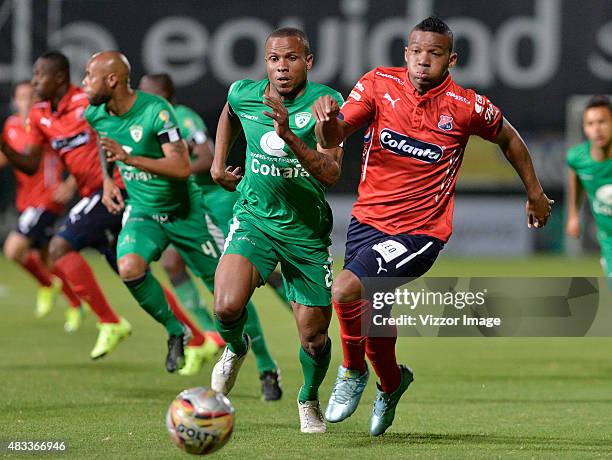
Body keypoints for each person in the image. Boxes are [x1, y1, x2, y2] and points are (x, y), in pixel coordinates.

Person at [312, 16, 553, 436]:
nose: (424, 60)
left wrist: (534, 192)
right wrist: (326, 121)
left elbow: (510, 139)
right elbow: (336, 135)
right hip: (367, 222)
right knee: (375, 321)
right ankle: (392, 383)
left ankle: (351, 372)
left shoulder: (466, 106)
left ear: (451, 59)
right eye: (417, 51)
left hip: (420, 233)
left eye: (435, 53)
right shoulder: (376, 85)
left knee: (347, 288)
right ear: (405, 53)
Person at [210, 27, 344, 433]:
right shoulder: (244, 93)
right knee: (226, 307)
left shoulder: (326, 104)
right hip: (255, 218)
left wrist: (289, 135)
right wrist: (218, 164)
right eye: (273, 59)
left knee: (314, 339)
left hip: (306, 233)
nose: (281, 68)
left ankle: (308, 398)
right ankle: (236, 347)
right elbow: (230, 113)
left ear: (308, 61)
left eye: (290, 59)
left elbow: (331, 173)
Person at [138, 74, 283, 396]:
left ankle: (267, 366)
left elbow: (205, 156)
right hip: (186, 208)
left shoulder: (184, 119)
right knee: (173, 263)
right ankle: (208, 332)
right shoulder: (144, 121)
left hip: (216, 206)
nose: (142, 98)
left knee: (243, 284)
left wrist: (172, 169)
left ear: (165, 96)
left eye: (149, 94)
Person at [82, 51, 222, 374]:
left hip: (190, 208)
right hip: (144, 208)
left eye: (90, 75)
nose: (84, 82)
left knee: (229, 293)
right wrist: (107, 181)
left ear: (113, 80)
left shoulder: (165, 114)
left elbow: (185, 164)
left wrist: (129, 160)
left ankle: (244, 351)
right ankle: (179, 330)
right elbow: (106, 143)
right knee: (129, 267)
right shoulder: (96, 113)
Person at [0, 52, 131, 358]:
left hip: (67, 195)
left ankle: (102, 316)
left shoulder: (81, 105)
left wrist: (71, 184)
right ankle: (189, 334)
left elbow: (101, 139)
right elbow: (30, 162)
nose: (29, 92)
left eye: (35, 81)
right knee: (130, 270)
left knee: (27, 248)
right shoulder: (30, 119)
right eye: (22, 93)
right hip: (57, 197)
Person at [0, 80, 83, 330]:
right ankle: (75, 303)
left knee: (14, 249)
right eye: (21, 97)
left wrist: (69, 186)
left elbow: (73, 152)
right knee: (48, 259)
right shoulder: (11, 125)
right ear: (14, 101)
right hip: (25, 200)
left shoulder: (45, 125)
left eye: (31, 96)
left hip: (46, 199)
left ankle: (47, 286)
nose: (26, 101)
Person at [566, 95, 612, 290]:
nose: (597, 129)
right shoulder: (577, 158)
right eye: (590, 123)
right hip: (608, 238)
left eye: (602, 122)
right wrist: (573, 215)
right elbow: (576, 179)